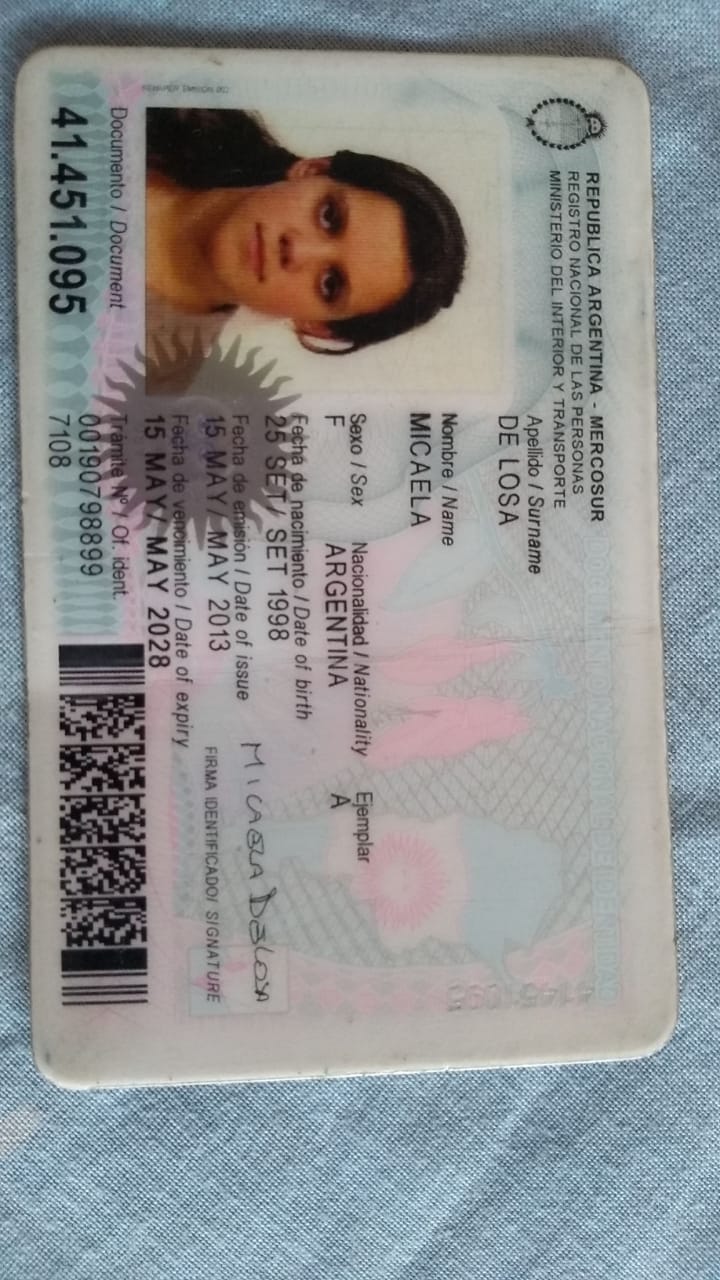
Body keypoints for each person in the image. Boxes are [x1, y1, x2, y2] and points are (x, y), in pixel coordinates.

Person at [145, 108, 467, 358]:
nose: (297, 251)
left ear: (318, 327)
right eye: (329, 217)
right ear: (313, 171)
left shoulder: (145, 374)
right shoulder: (163, 100)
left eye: (330, 284)